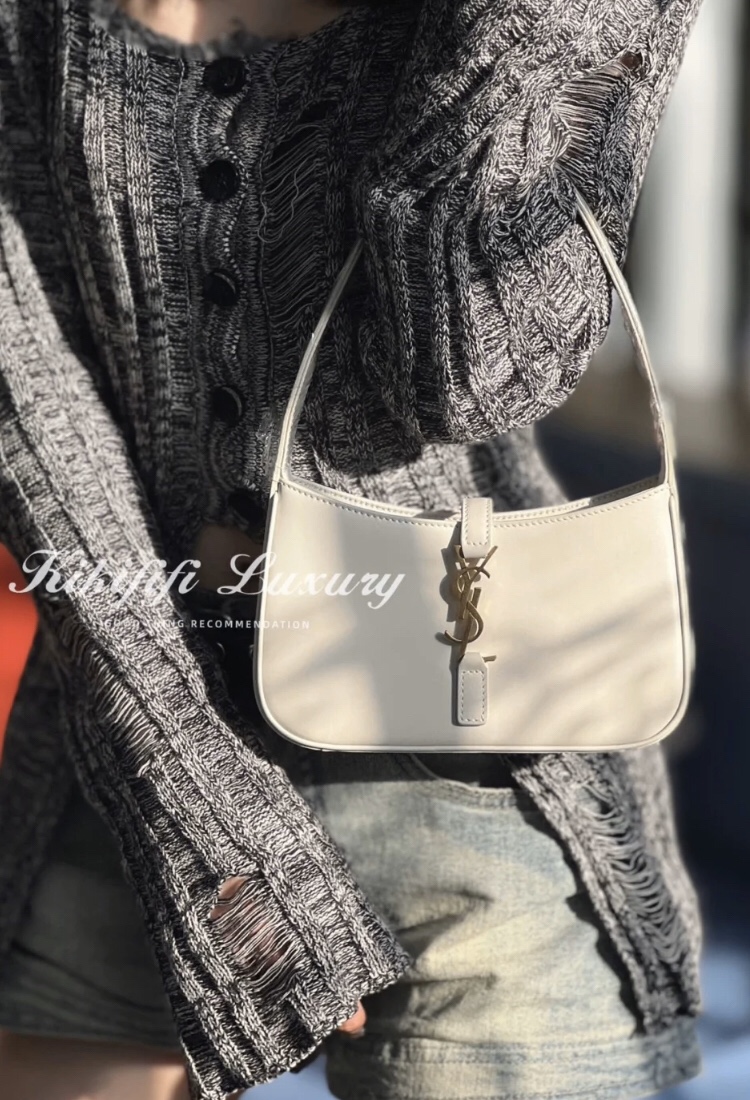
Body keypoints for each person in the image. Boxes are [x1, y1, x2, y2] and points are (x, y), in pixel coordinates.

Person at [0, 0, 705, 1098]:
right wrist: (202, 817)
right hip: (138, 757)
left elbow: (478, 372)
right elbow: (33, 412)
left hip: (492, 771)